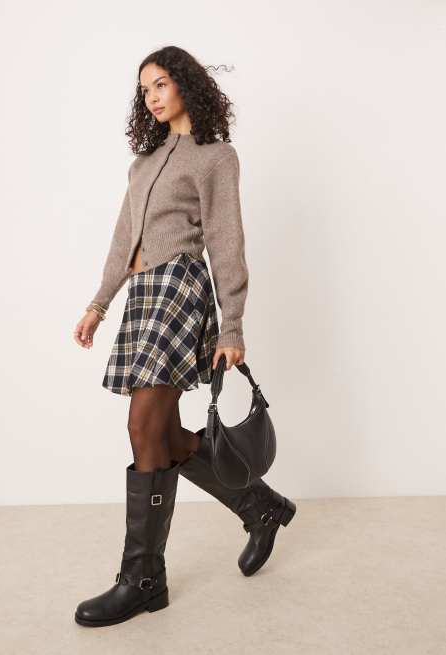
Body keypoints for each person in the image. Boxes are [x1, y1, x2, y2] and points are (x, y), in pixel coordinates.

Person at [72, 46, 296, 628]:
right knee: (165, 436)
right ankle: (260, 506)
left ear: (186, 85)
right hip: (143, 294)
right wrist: (99, 303)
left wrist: (232, 324)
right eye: (144, 88)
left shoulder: (215, 157)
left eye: (161, 83)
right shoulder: (142, 164)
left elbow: (226, 238)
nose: (151, 95)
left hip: (180, 288)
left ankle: (143, 579)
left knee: (142, 426)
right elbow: (123, 240)